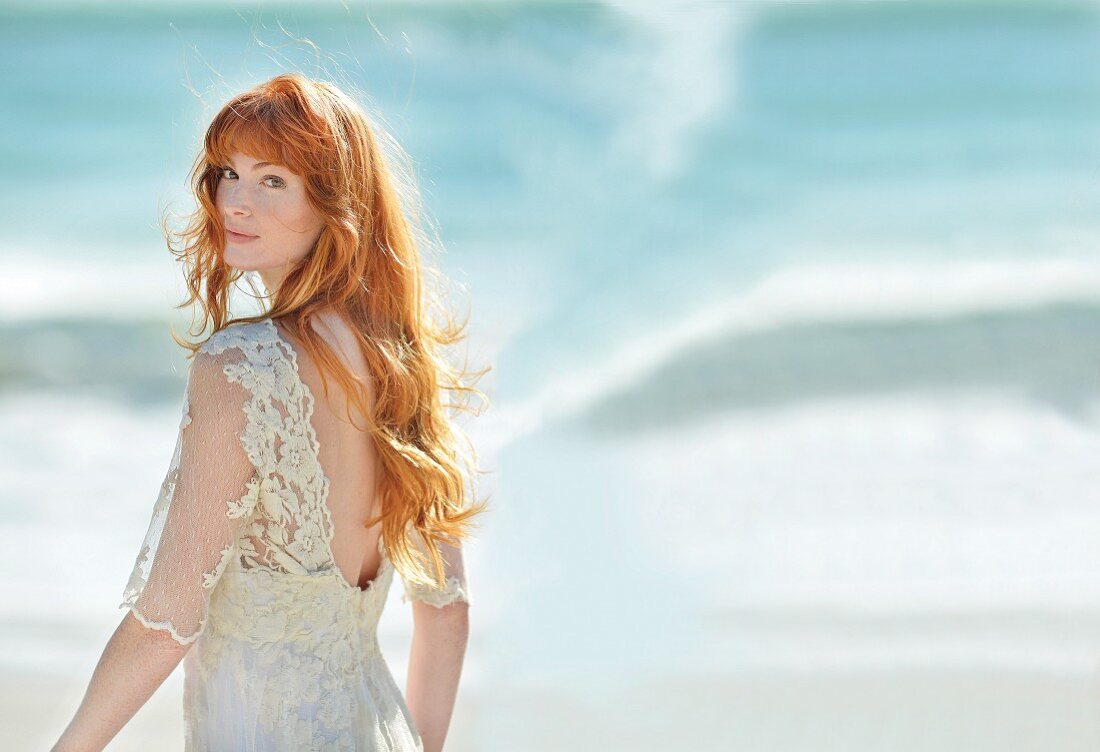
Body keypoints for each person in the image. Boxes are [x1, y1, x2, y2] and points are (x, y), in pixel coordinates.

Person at [50, 72, 489, 752]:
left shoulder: (243, 366)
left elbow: (166, 622)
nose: (236, 202)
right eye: (229, 172)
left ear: (336, 203)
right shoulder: (409, 375)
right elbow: (447, 614)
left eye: (273, 181)